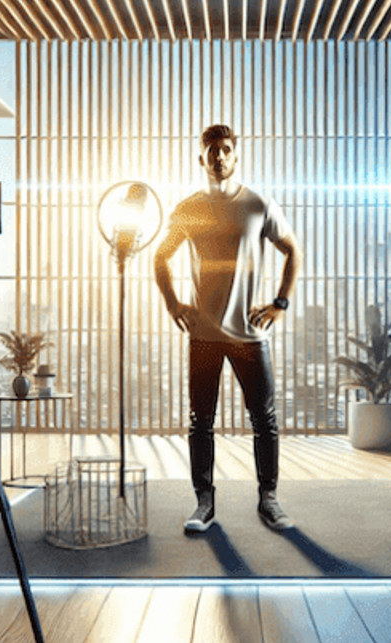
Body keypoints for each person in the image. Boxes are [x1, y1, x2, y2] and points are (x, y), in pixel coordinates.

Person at [154, 124, 301, 533]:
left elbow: (293, 251)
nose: (219, 156)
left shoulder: (257, 203)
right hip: (203, 335)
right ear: (201, 158)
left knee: (264, 421)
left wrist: (280, 303)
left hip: (251, 335)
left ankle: (268, 499)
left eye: (226, 149)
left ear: (235, 156)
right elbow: (160, 258)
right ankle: (204, 503)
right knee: (200, 422)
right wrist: (172, 302)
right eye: (211, 150)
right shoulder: (187, 208)